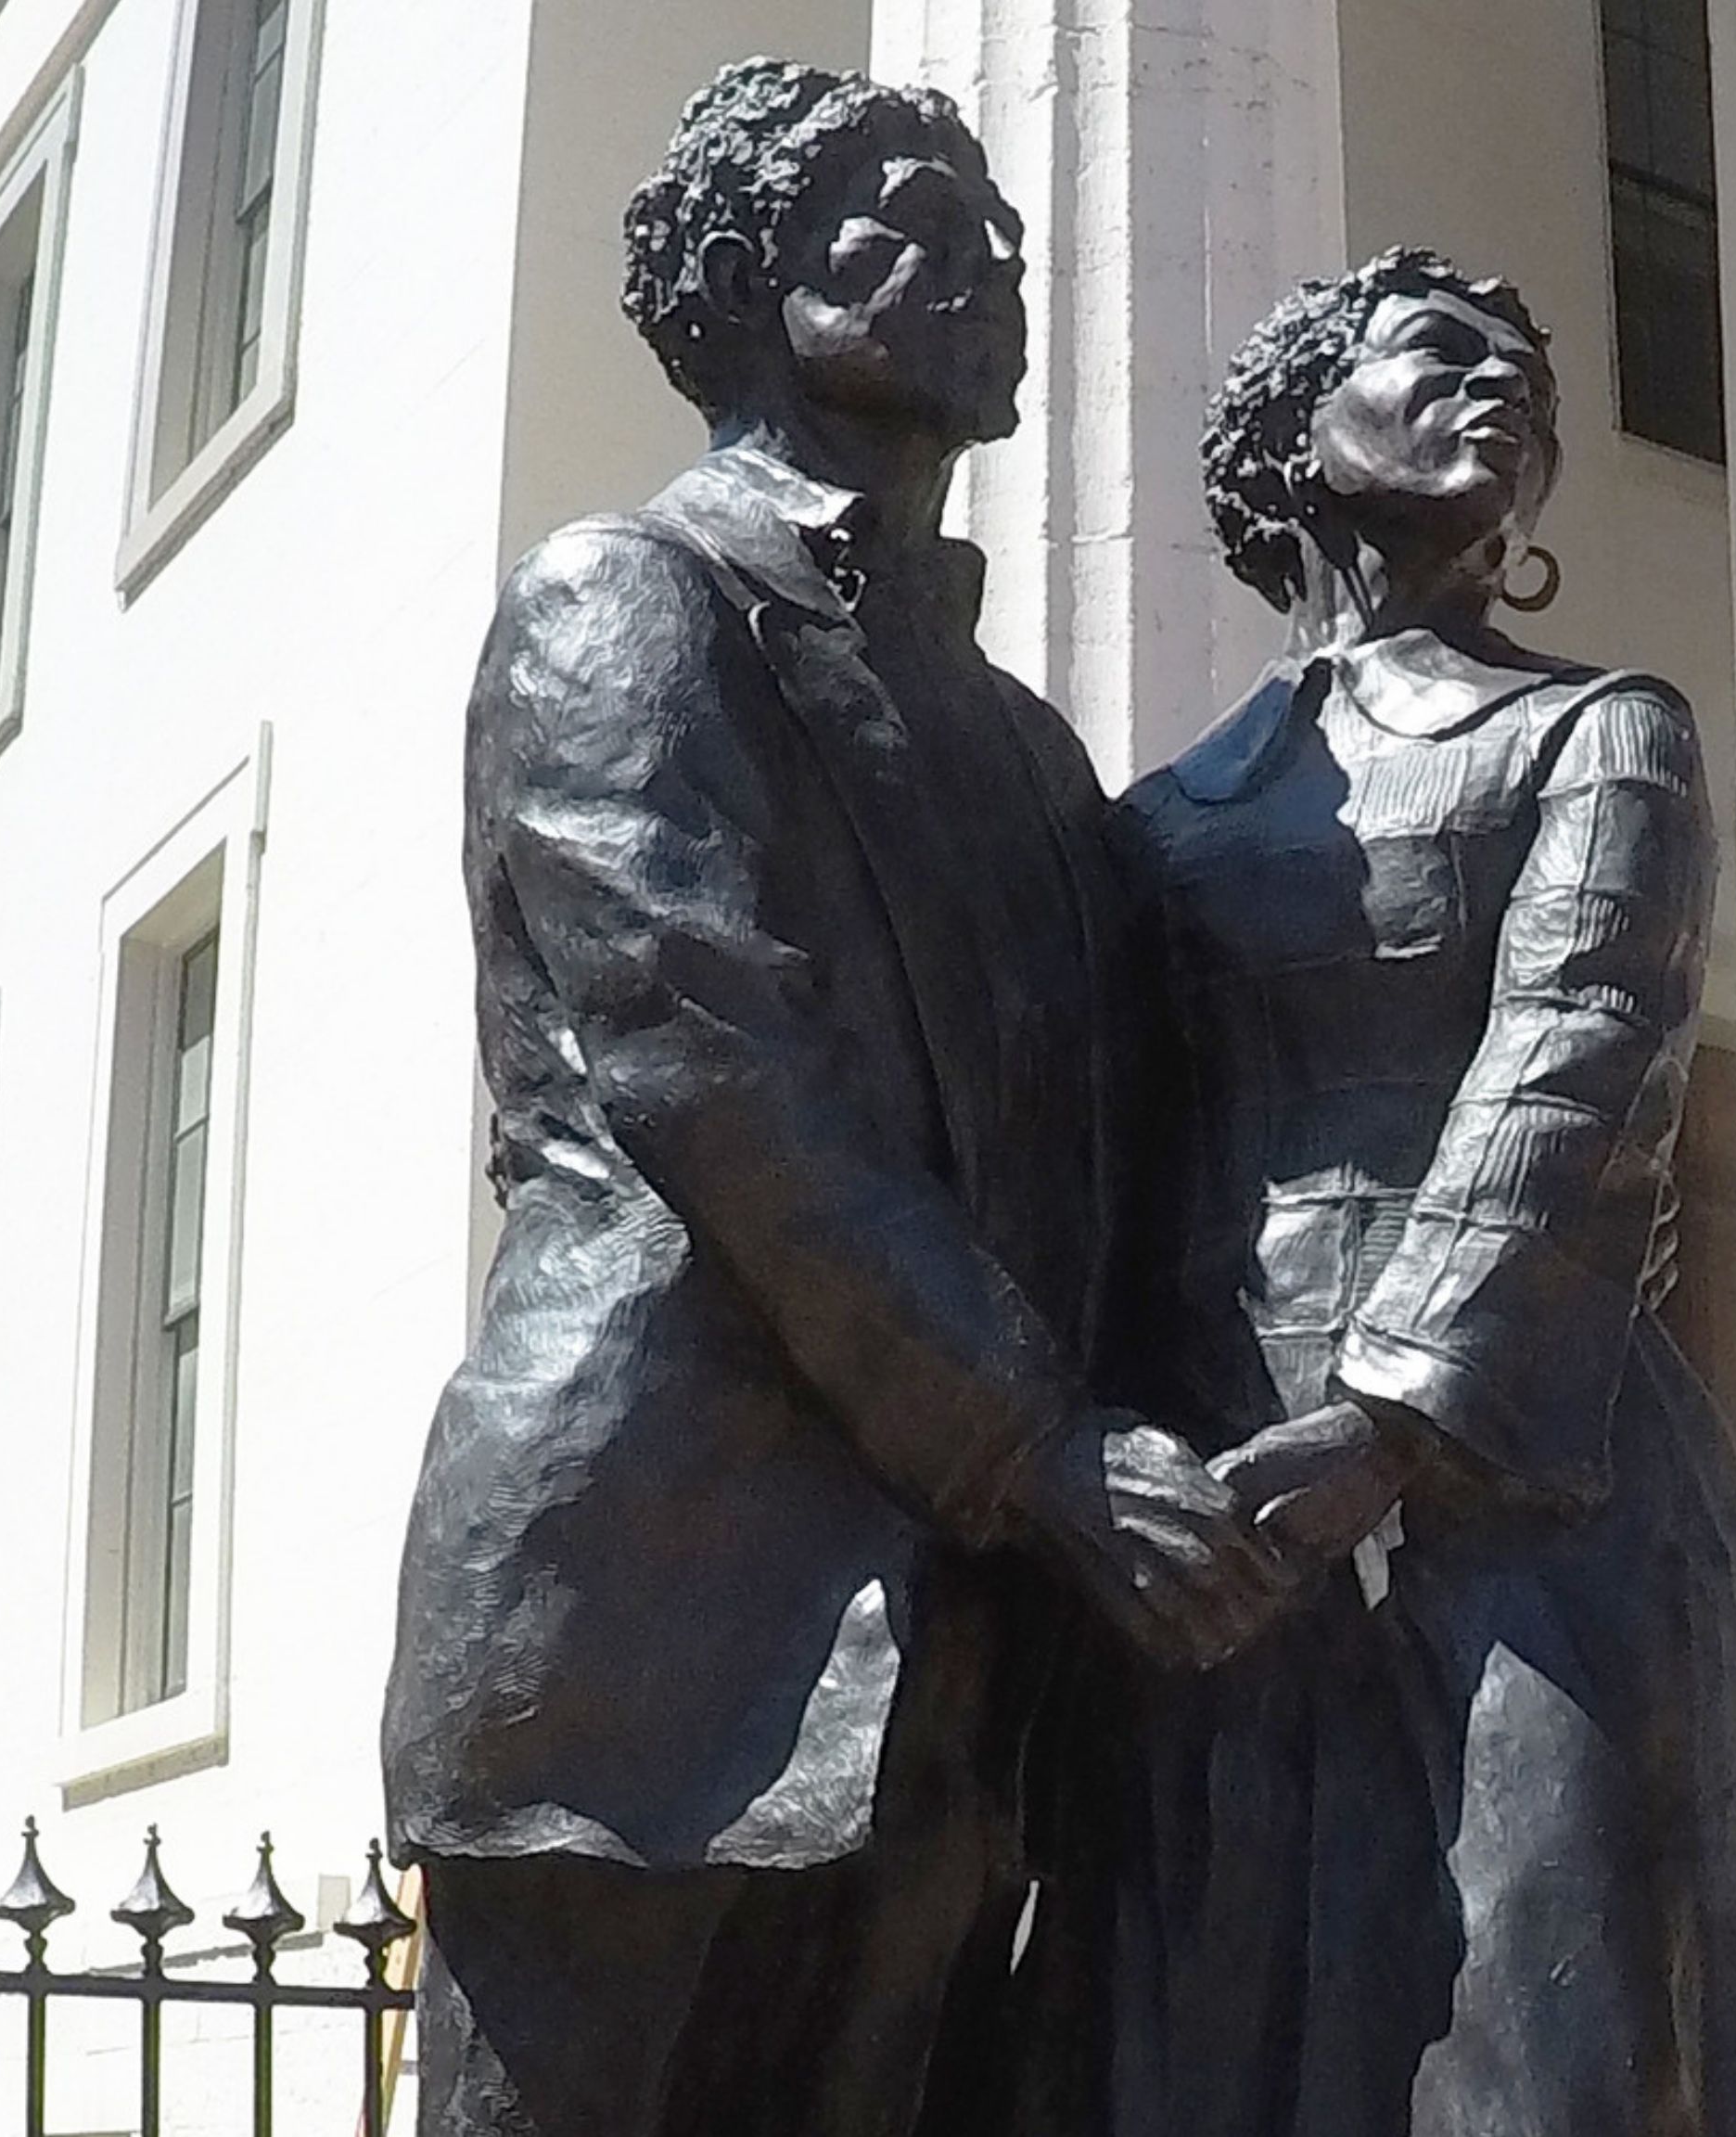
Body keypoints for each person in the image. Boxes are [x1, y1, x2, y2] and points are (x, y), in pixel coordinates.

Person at [377, 59, 1288, 2136]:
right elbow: (720, 1072)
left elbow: (1127, 1164)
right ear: (743, 280)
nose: (975, 247)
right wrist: (1047, 1448)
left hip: (962, 1661)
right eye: (892, 208)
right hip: (662, 1624)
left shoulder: (1036, 759)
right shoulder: (629, 601)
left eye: (995, 219)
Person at [1082, 249, 1736, 2137]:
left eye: (1527, 386)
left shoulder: (1600, 733)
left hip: (1533, 1481)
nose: (1503, 397)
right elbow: (1107, 1179)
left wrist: (1388, 1419)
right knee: (1232, 2046)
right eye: (1441, 357)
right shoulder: (1153, 829)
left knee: (1541, 2056)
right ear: (1302, 430)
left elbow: (1579, 1066)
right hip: (1226, 1506)